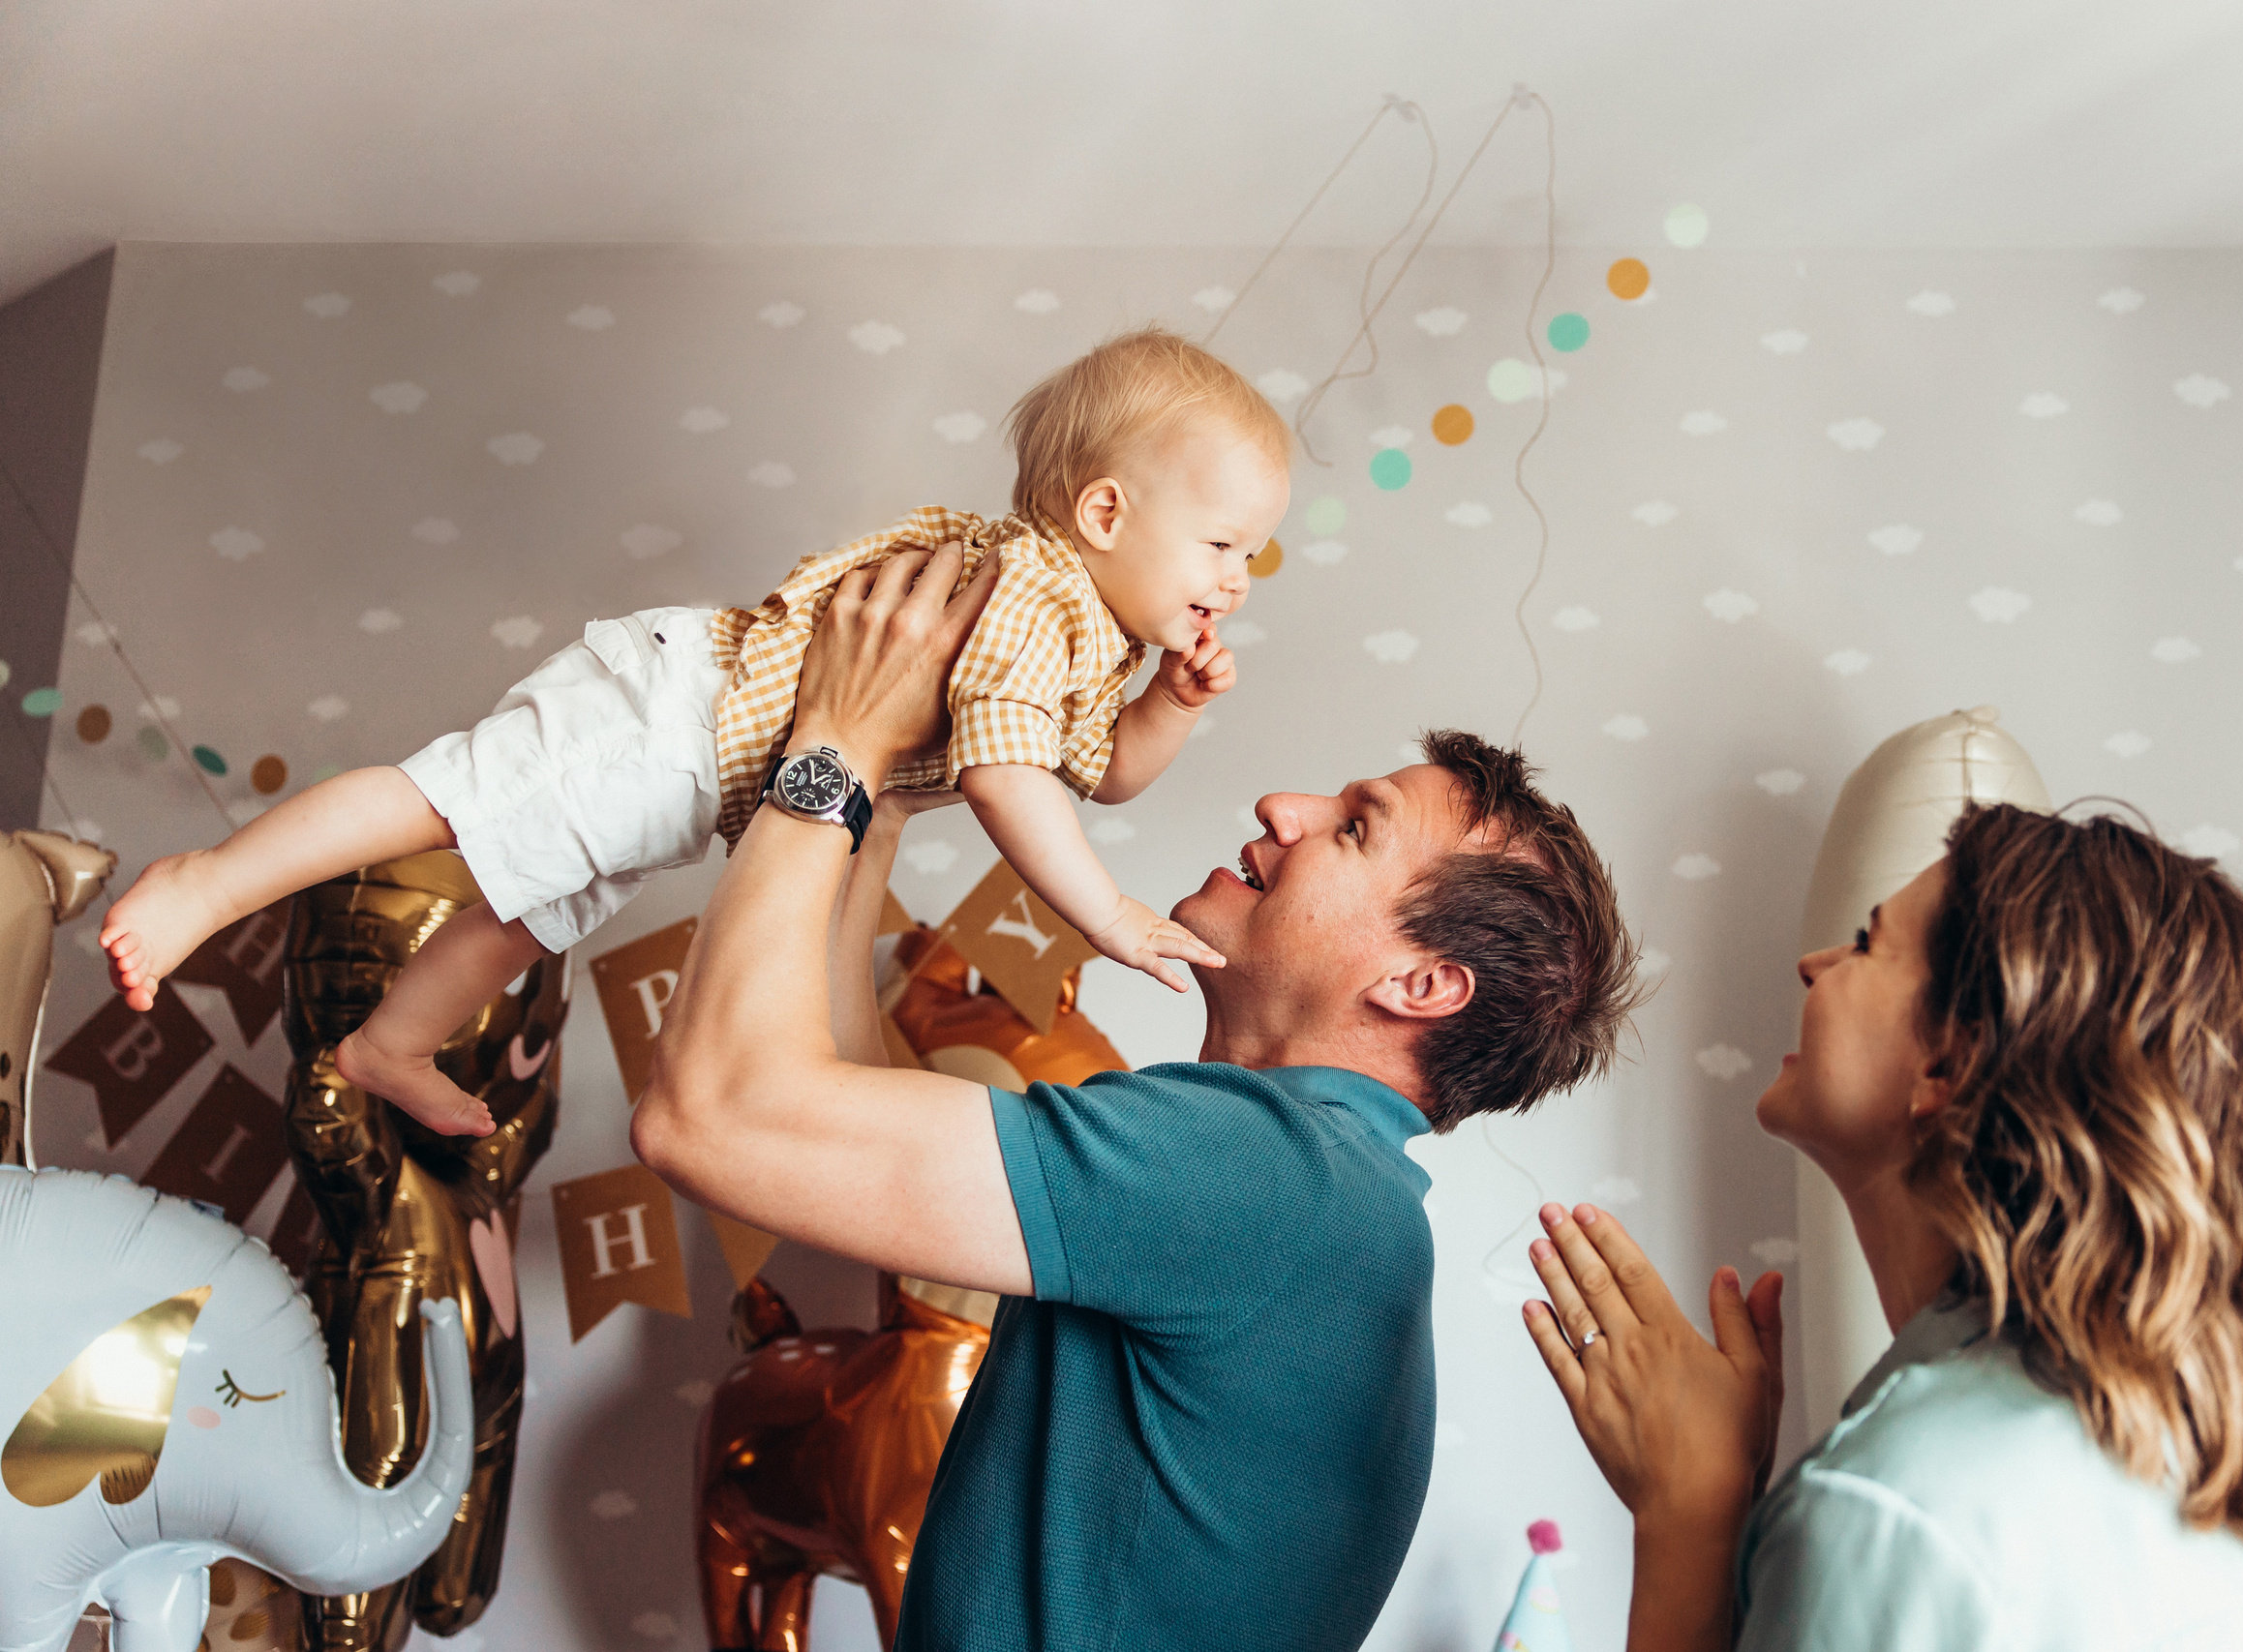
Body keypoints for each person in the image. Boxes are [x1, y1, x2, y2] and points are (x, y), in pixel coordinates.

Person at [629, 541, 1644, 1650]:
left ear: (1420, 985)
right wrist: (887, 792)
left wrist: (834, 737)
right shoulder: (1315, 1187)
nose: (1283, 805)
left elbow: (711, 1117)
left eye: (1354, 827)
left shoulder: (1259, 1171)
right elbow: (843, 1108)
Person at [97, 326, 1281, 1138]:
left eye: (1252, 556)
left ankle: (388, 1047)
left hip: (699, 778)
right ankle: (206, 884)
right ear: (1105, 511)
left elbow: (1102, 773)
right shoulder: (1035, 592)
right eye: (1222, 543)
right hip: (676, 710)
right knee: (441, 804)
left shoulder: (1094, 651)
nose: (1237, 577)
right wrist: (1107, 912)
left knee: (525, 912)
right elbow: (1009, 771)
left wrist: (1167, 707)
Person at [1521, 803, 2243, 1651]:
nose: (1816, 962)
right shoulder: (2237, 1478)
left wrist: (1687, 1521)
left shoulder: (1887, 1511)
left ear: (1952, 1056)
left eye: (1870, 943)